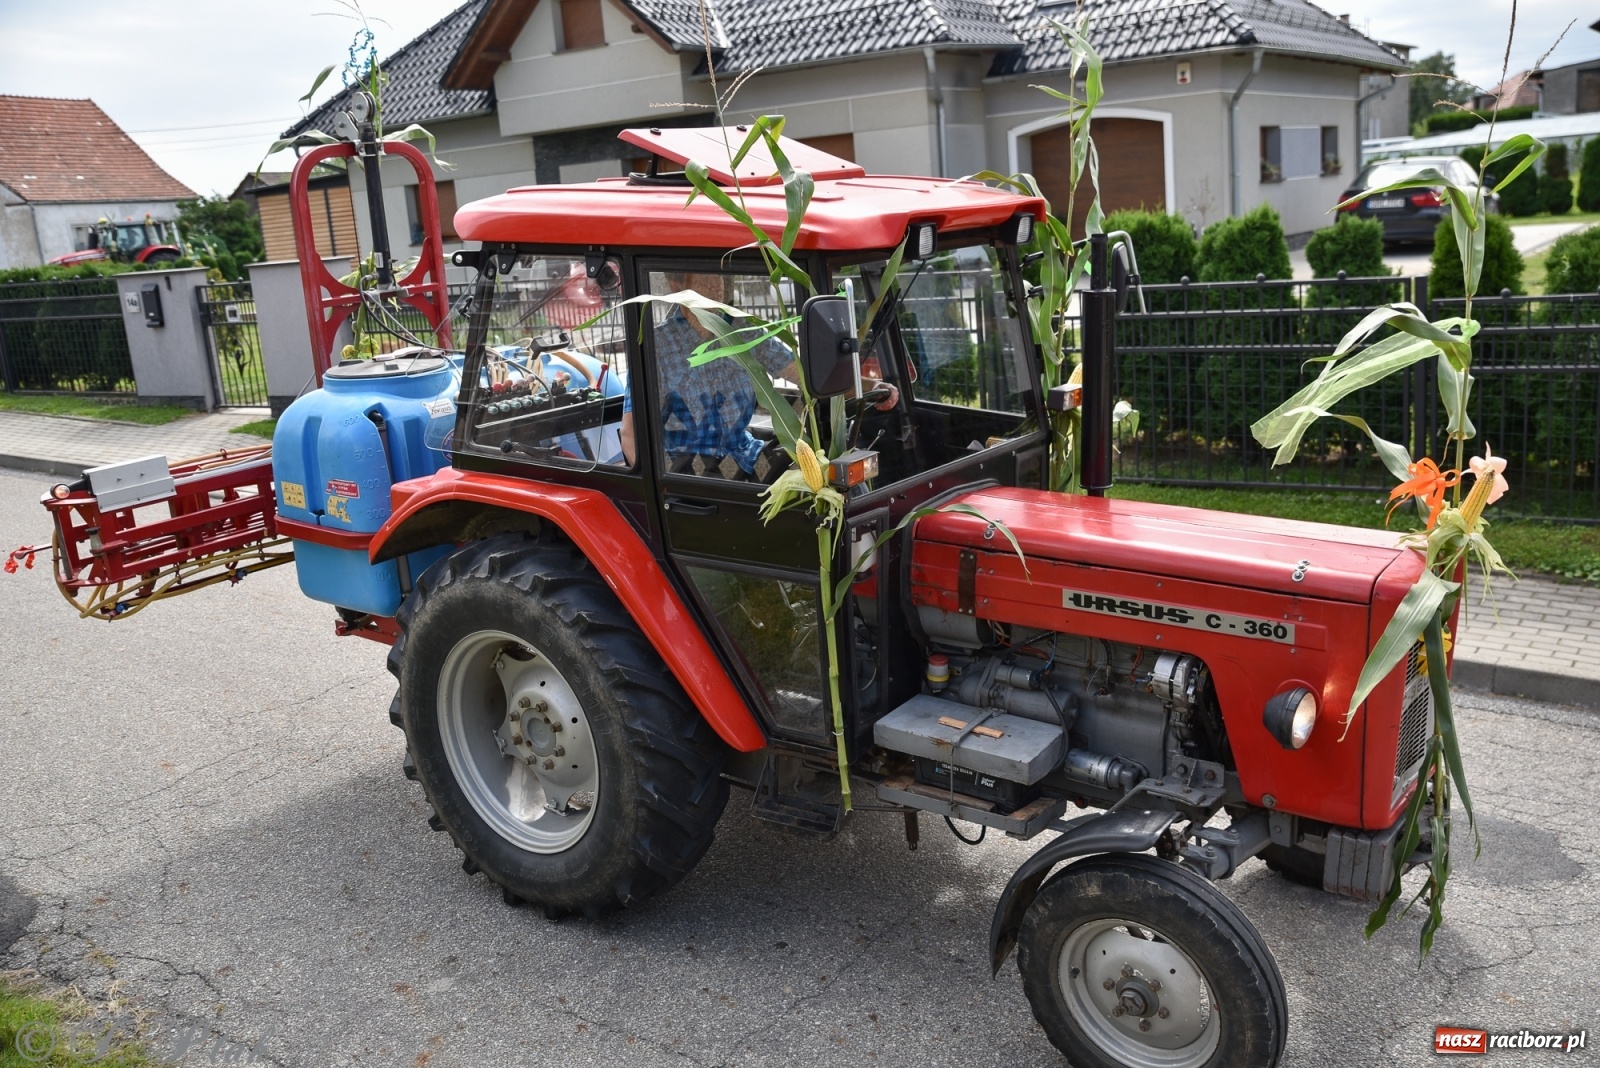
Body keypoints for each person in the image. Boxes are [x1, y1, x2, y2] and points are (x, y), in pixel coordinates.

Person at [619, 272, 897, 473]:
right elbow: (631, 434)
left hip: (744, 457)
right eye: (704, 278)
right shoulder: (655, 346)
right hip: (688, 469)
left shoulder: (744, 331)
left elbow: (806, 376)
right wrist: (663, 492)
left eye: (719, 278)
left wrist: (870, 388)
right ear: (676, 286)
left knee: (820, 481)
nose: (715, 286)